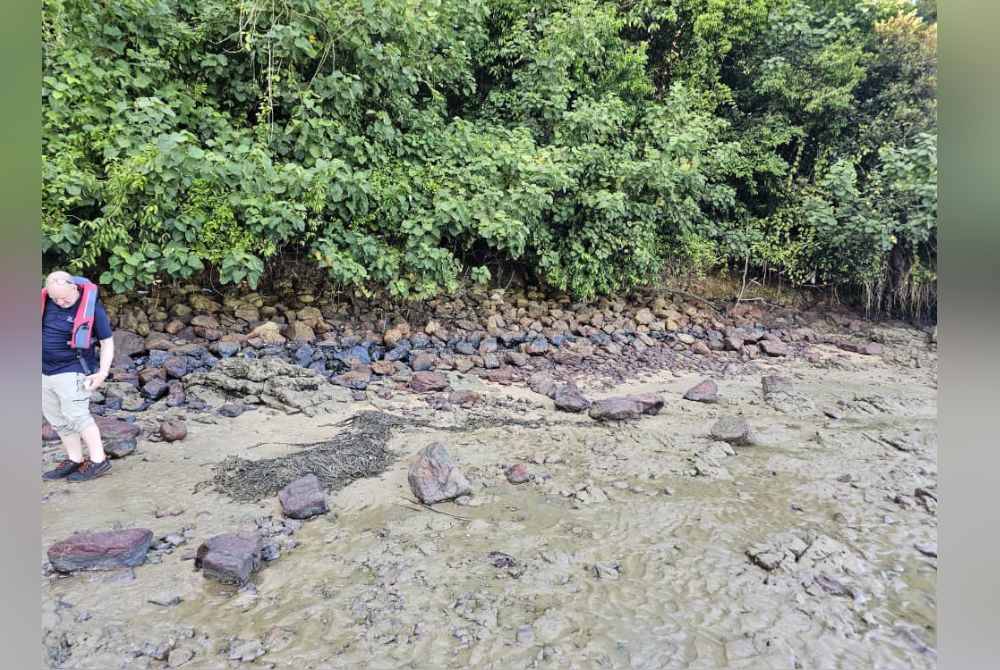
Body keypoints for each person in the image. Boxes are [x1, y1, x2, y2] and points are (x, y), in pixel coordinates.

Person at [41, 271, 115, 481]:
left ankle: (99, 461)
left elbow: (107, 342)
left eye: (64, 298)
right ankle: (75, 459)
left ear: (74, 288)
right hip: (43, 371)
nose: (60, 302)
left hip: (72, 368)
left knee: (78, 417)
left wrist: (102, 372)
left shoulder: (92, 308)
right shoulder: (46, 301)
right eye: (55, 298)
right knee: (57, 419)